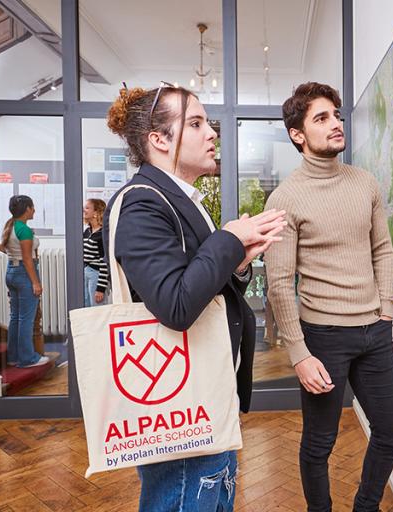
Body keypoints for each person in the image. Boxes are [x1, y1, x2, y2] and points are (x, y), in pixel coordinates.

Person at [104, 83, 287, 512]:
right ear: (159, 139)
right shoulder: (143, 205)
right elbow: (176, 305)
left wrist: (238, 260)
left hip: (204, 396)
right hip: (178, 401)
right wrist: (227, 239)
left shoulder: (179, 199)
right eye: (195, 123)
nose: (212, 134)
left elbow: (204, 285)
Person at [265, 82, 393, 512]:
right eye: (321, 118)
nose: (336, 124)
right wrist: (299, 353)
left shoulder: (365, 183)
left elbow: (382, 248)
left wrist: (385, 310)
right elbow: (279, 282)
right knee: (320, 443)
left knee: (391, 430)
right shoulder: (285, 197)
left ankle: (365, 507)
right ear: (298, 134)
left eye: (337, 115)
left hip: (374, 333)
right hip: (323, 336)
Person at [1, 195, 50, 368]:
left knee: (15, 317)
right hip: (24, 273)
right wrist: (35, 283)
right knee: (26, 319)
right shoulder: (24, 230)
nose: (34, 210)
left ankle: (14, 356)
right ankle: (27, 358)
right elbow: (28, 259)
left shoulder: (11, 226)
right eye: (33, 207)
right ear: (27, 209)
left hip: (11, 272)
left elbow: (5, 249)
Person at [82, 198, 109, 307]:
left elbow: (105, 262)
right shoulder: (87, 231)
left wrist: (100, 289)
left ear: (96, 213)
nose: (84, 210)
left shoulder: (102, 234)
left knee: (97, 311)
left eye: (87, 208)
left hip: (96, 276)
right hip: (85, 273)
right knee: (86, 309)